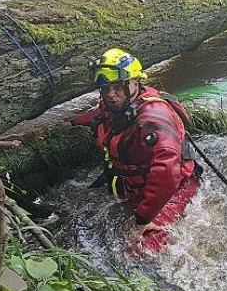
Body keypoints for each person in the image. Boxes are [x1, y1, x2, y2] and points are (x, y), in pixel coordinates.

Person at [72, 47, 201, 248]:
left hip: (173, 190)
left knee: (142, 246)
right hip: (133, 188)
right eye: (105, 89)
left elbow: (167, 169)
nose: (111, 95)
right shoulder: (116, 106)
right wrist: (71, 122)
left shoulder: (153, 118)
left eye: (117, 87)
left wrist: (143, 218)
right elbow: (98, 115)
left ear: (135, 82)